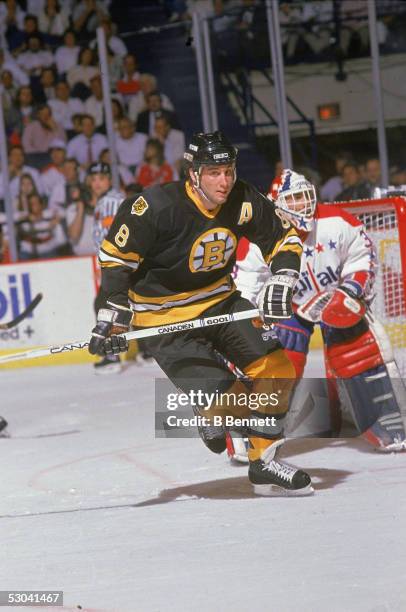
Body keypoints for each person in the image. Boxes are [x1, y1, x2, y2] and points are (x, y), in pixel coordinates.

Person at [88, 131, 313, 497]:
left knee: (276, 371)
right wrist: (112, 310)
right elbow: (115, 260)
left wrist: (284, 275)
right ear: (194, 173)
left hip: (220, 302)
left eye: (228, 170)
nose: (224, 180)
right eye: (214, 172)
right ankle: (210, 413)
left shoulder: (242, 198)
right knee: (232, 403)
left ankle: (264, 462)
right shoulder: (154, 207)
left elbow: (282, 238)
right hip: (163, 321)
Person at [234, 169, 406, 458]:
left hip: (335, 300)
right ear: (277, 204)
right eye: (294, 200)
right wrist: (248, 320)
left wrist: (351, 290)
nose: (303, 206)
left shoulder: (336, 221)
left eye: (304, 197)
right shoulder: (259, 236)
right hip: (287, 307)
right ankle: (254, 433)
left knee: (359, 349)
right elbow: (245, 284)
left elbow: (362, 255)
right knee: (279, 361)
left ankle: (384, 421)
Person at [88, 161, 126, 373]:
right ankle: (146, 351)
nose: (97, 183)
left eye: (101, 178)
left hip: (118, 263)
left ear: (109, 180)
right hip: (114, 263)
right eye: (93, 179)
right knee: (122, 307)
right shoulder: (104, 202)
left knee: (105, 308)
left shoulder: (112, 201)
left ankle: (112, 356)